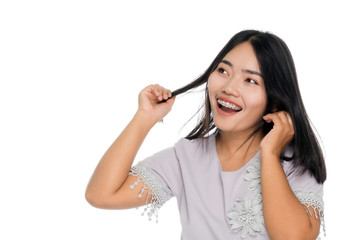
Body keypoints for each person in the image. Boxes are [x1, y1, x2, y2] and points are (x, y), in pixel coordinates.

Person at [85, 30, 327, 239]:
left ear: (275, 100)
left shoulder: (293, 163)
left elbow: (294, 238)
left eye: (250, 80)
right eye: (223, 70)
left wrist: (271, 154)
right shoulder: (185, 158)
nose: (228, 87)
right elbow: (101, 194)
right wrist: (144, 118)